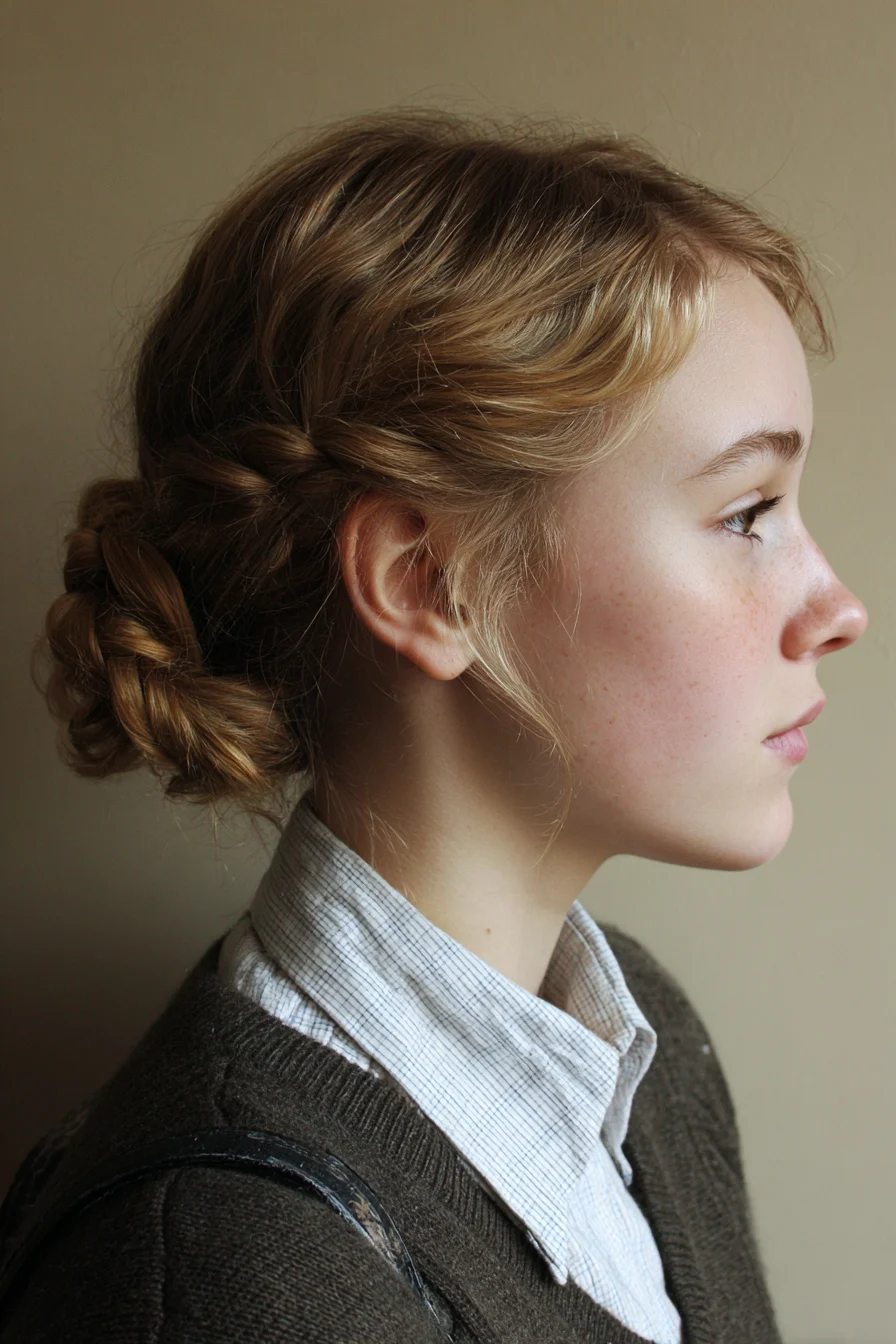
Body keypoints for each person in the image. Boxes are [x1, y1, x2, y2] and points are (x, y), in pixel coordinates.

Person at [0, 108, 867, 1343]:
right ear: (429, 585)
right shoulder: (214, 1272)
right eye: (745, 513)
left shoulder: (648, 1052)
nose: (838, 607)